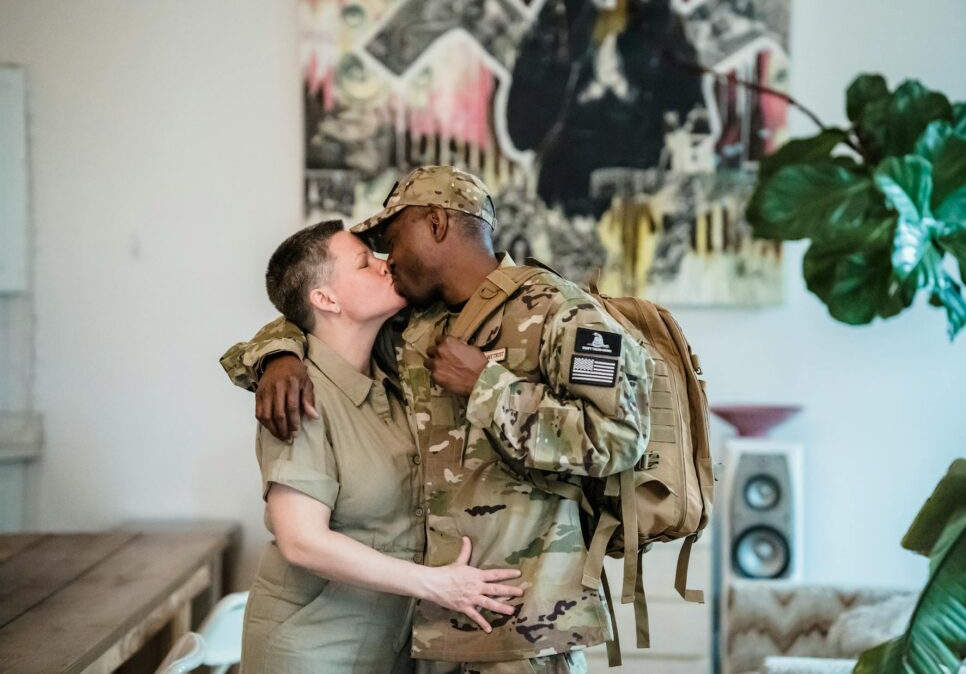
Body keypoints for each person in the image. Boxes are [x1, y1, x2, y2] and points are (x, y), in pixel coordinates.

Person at [222, 165, 655, 673]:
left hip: (524, 628)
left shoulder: (565, 313)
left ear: (436, 223)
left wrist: (488, 388)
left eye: (391, 238)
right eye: (372, 255)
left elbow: (621, 437)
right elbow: (315, 312)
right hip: (428, 634)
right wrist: (279, 355)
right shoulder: (413, 323)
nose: (387, 258)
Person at [240, 221, 523, 673]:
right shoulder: (297, 394)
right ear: (325, 299)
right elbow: (302, 542)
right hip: (312, 652)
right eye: (364, 263)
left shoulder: (397, 379)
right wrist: (438, 585)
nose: (384, 265)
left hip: (389, 650)